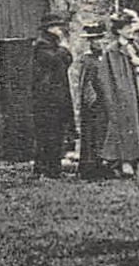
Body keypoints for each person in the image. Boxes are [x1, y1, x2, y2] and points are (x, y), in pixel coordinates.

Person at [95, 9, 139, 179]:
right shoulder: (113, 51)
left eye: (131, 26)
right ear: (118, 30)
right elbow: (107, 79)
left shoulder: (135, 48)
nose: (131, 29)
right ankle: (125, 163)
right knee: (127, 126)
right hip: (124, 96)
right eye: (126, 27)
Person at [30, 14, 74, 178]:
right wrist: (63, 47)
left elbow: (68, 60)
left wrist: (63, 50)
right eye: (57, 27)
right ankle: (45, 170)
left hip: (56, 96)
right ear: (49, 29)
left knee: (55, 134)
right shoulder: (42, 46)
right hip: (47, 99)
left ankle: (52, 169)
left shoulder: (52, 45)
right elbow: (57, 60)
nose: (60, 30)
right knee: (48, 135)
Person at [74, 20, 111, 180]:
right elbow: (85, 82)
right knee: (91, 134)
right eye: (94, 40)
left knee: (102, 134)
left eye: (100, 39)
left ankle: (101, 164)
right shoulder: (87, 60)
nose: (98, 43)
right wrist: (91, 100)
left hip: (105, 101)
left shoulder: (105, 58)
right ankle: (89, 167)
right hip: (93, 103)